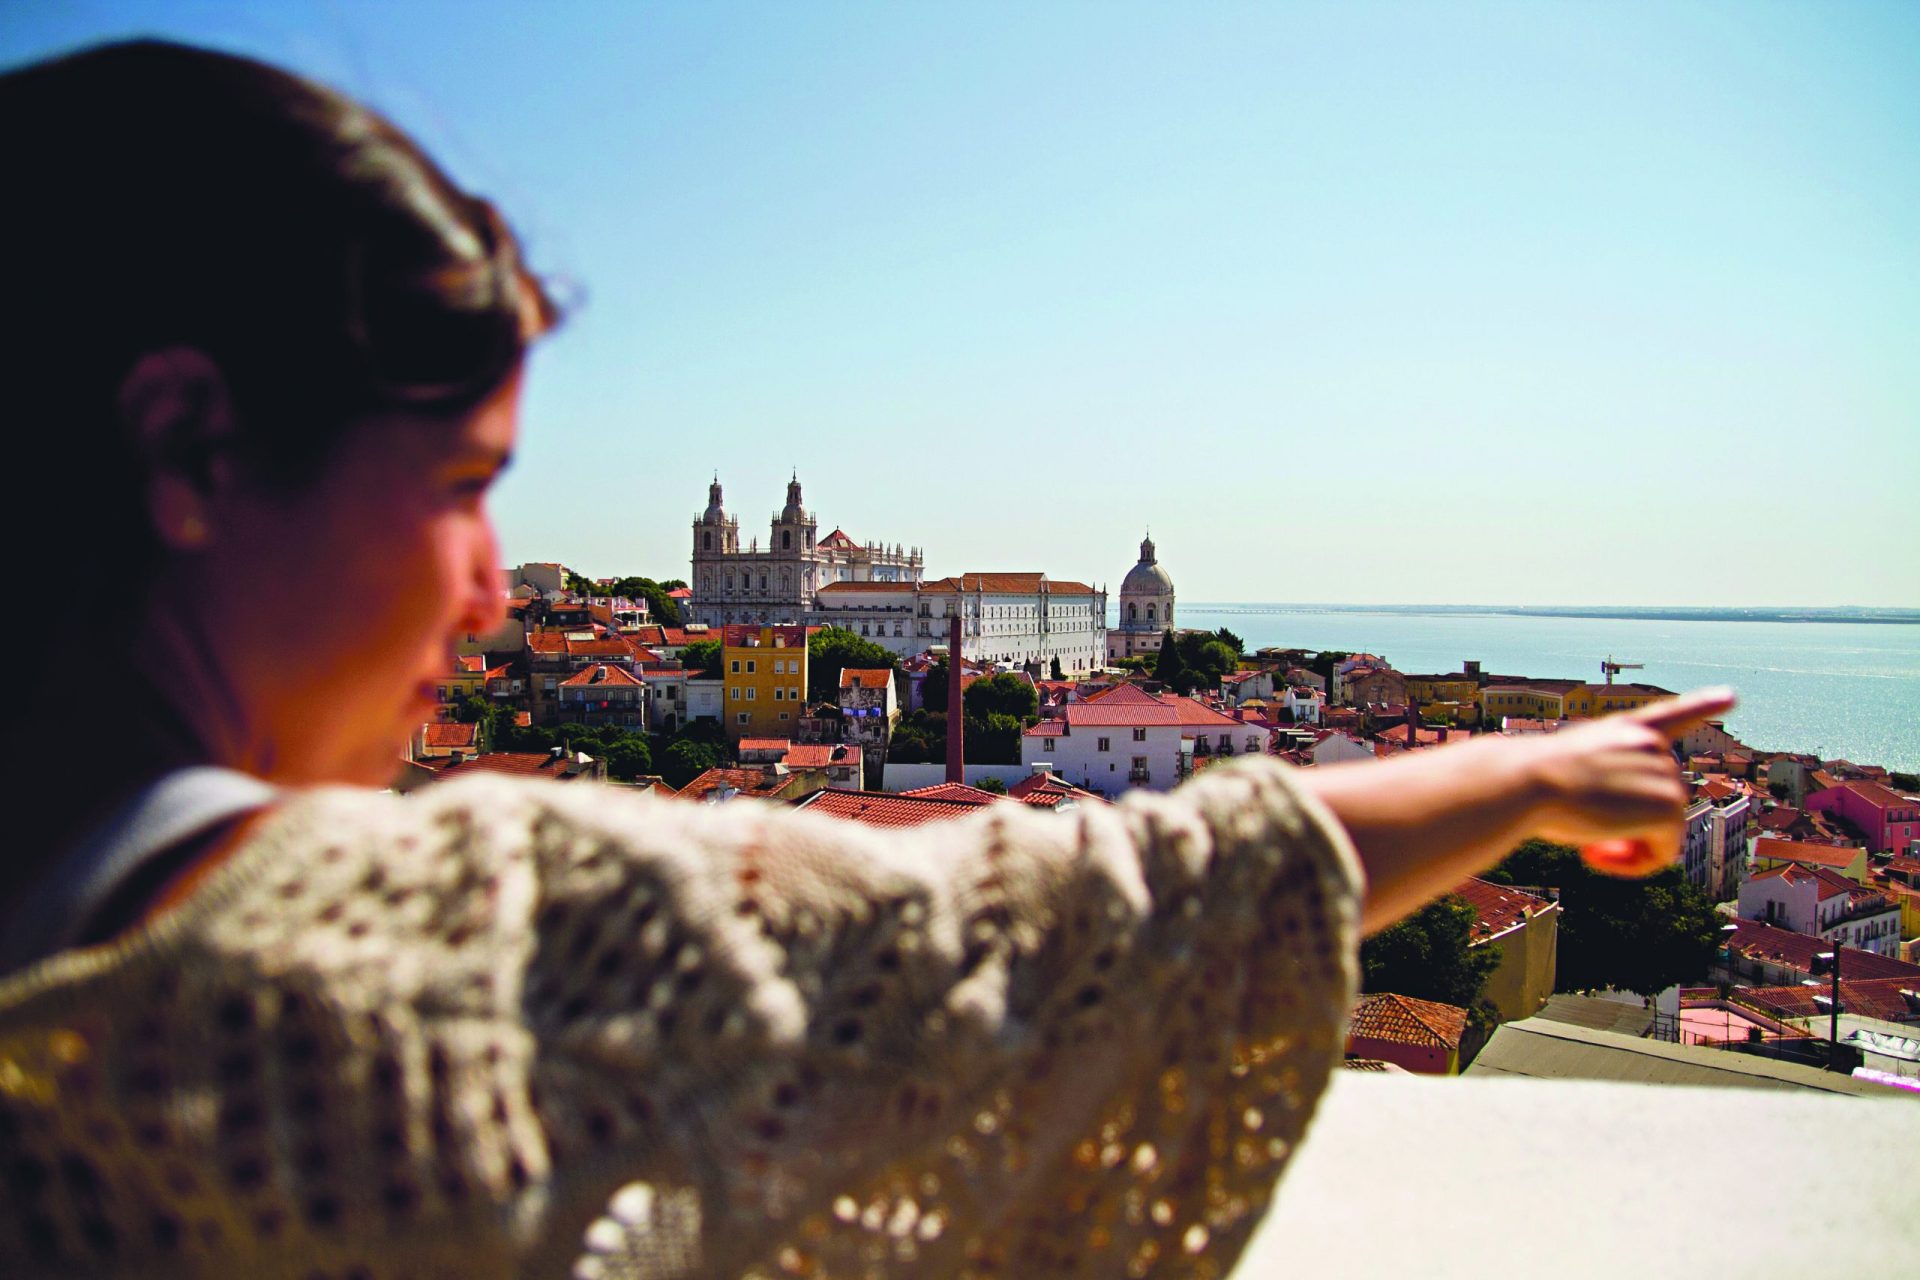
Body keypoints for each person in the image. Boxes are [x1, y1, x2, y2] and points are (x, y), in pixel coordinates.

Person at [0, 40, 1733, 1279]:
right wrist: (1537, 770)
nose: (489, 597)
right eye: (462, 490)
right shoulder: (396, 965)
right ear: (193, 452)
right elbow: (1078, 929)